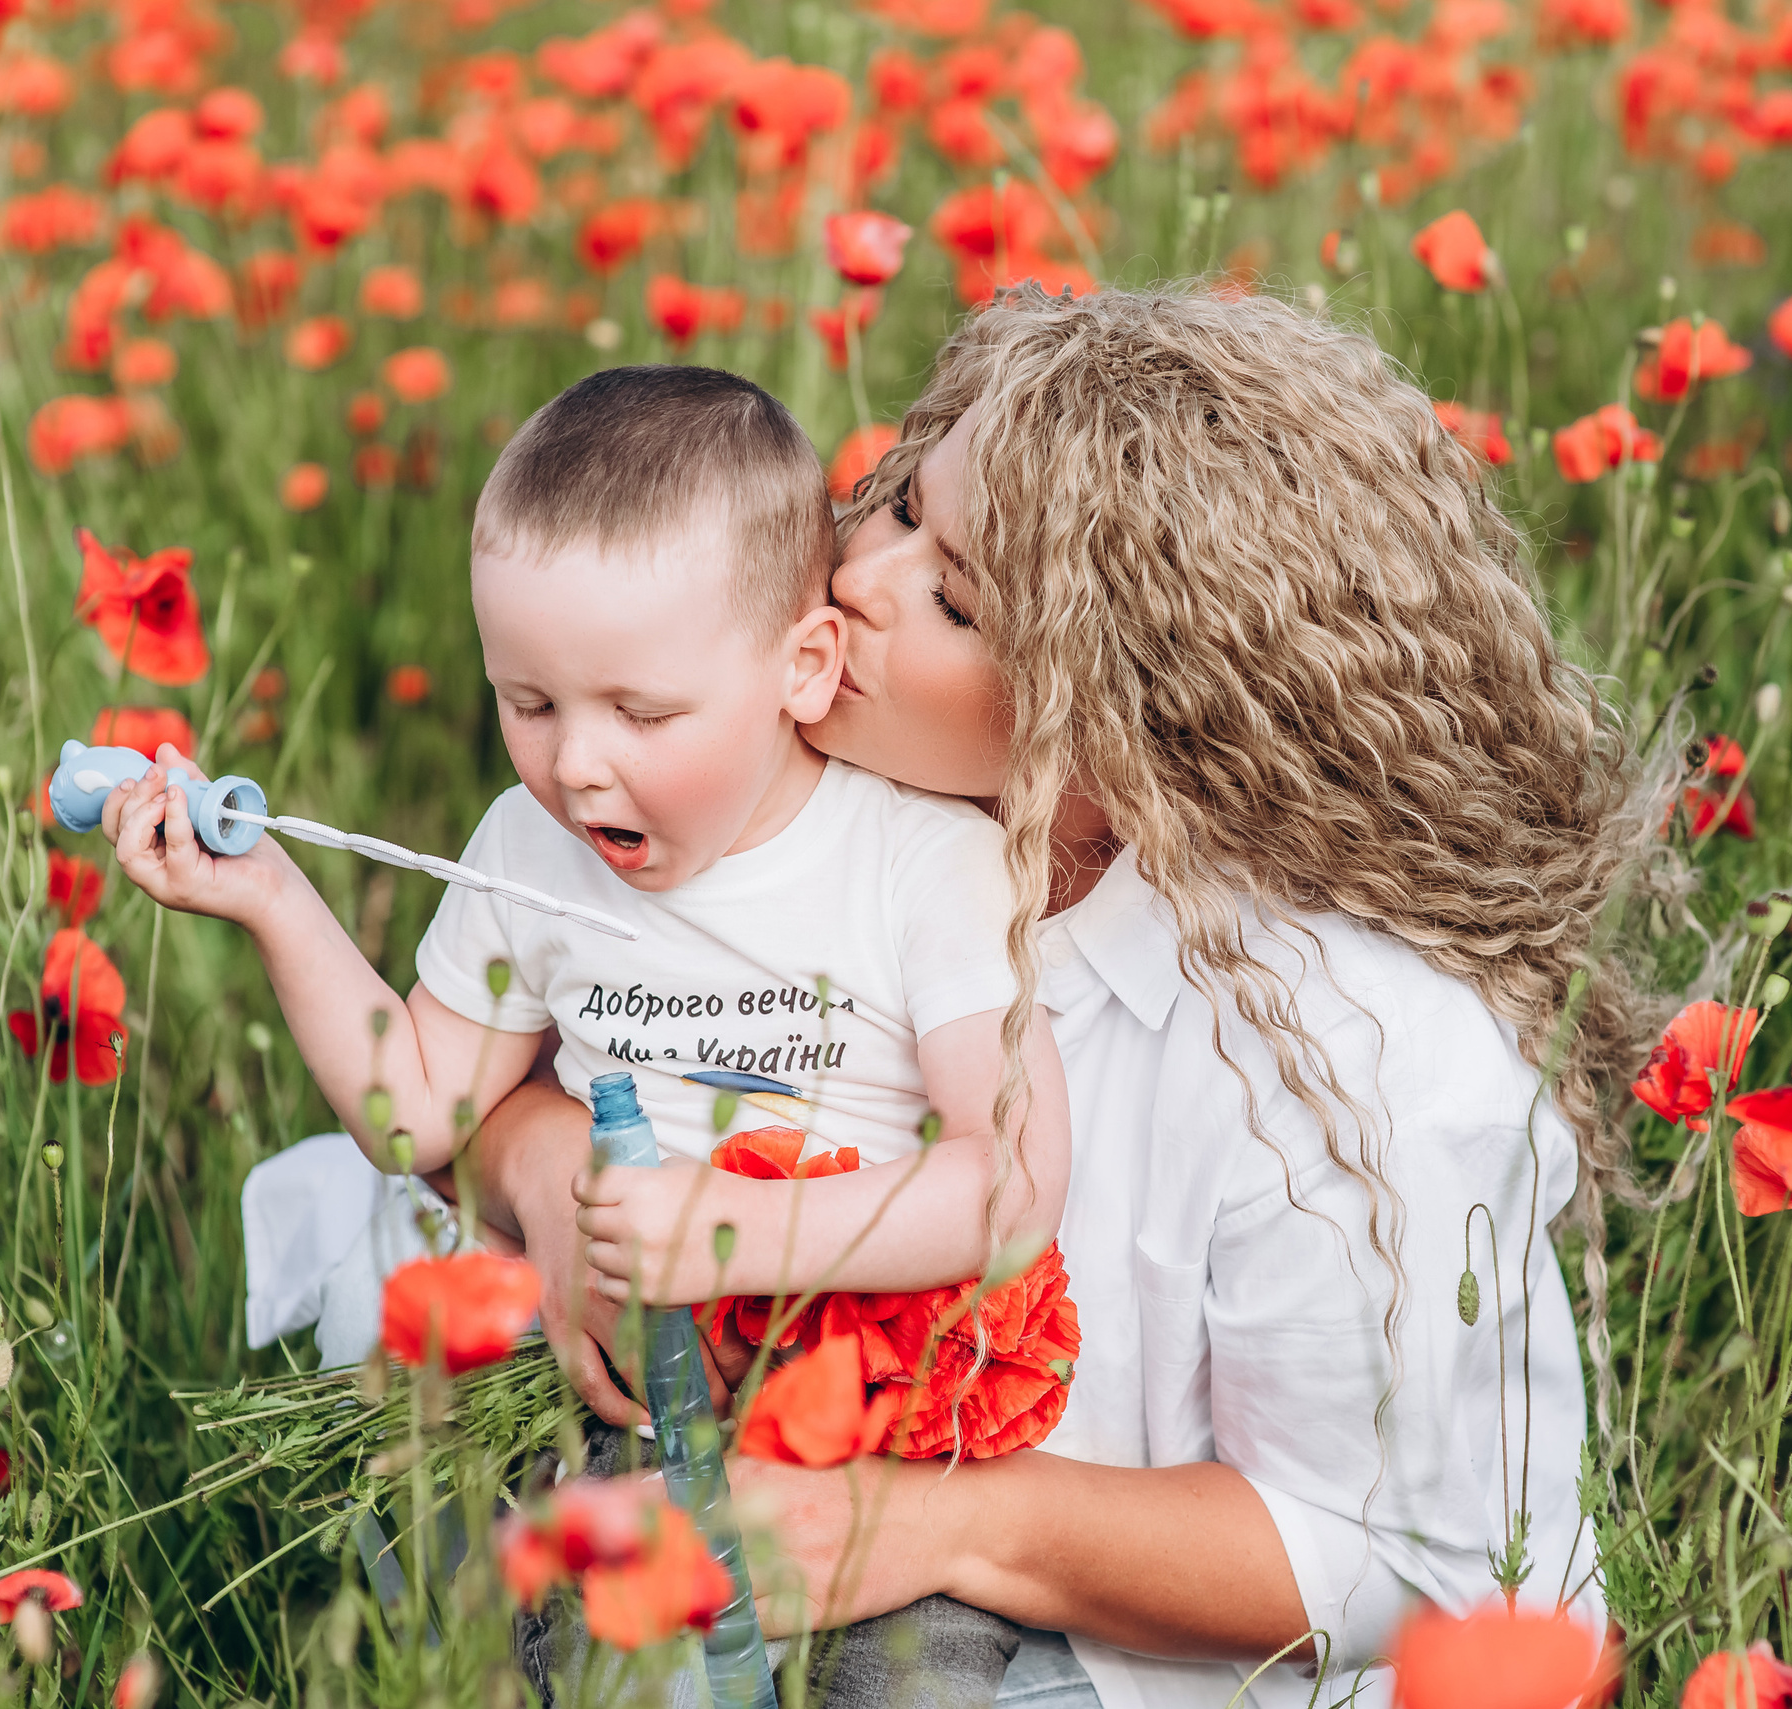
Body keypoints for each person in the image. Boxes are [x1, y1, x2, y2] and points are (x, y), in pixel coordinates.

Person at [468, 286, 1660, 1708]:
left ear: (1126, 721)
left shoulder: (1353, 1059)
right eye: (899, 504)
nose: (859, 579)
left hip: (1162, 1661)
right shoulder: (801, 798)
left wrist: (928, 1526)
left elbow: (1408, 1568)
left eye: (954, 599)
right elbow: (522, 1058)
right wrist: (552, 1178)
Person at [110, 365, 1077, 1699]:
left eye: (641, 713)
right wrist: (272, 901)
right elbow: (415, 1111)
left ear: (801, 666)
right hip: (616, 1404)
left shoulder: (921, 862)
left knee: (904, 1684)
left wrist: (731, 1229)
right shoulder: (531, 848)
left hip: (882, 1436)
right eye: (530, 703)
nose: (574, 764)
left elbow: (1010, 1180)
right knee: (607, 1665)